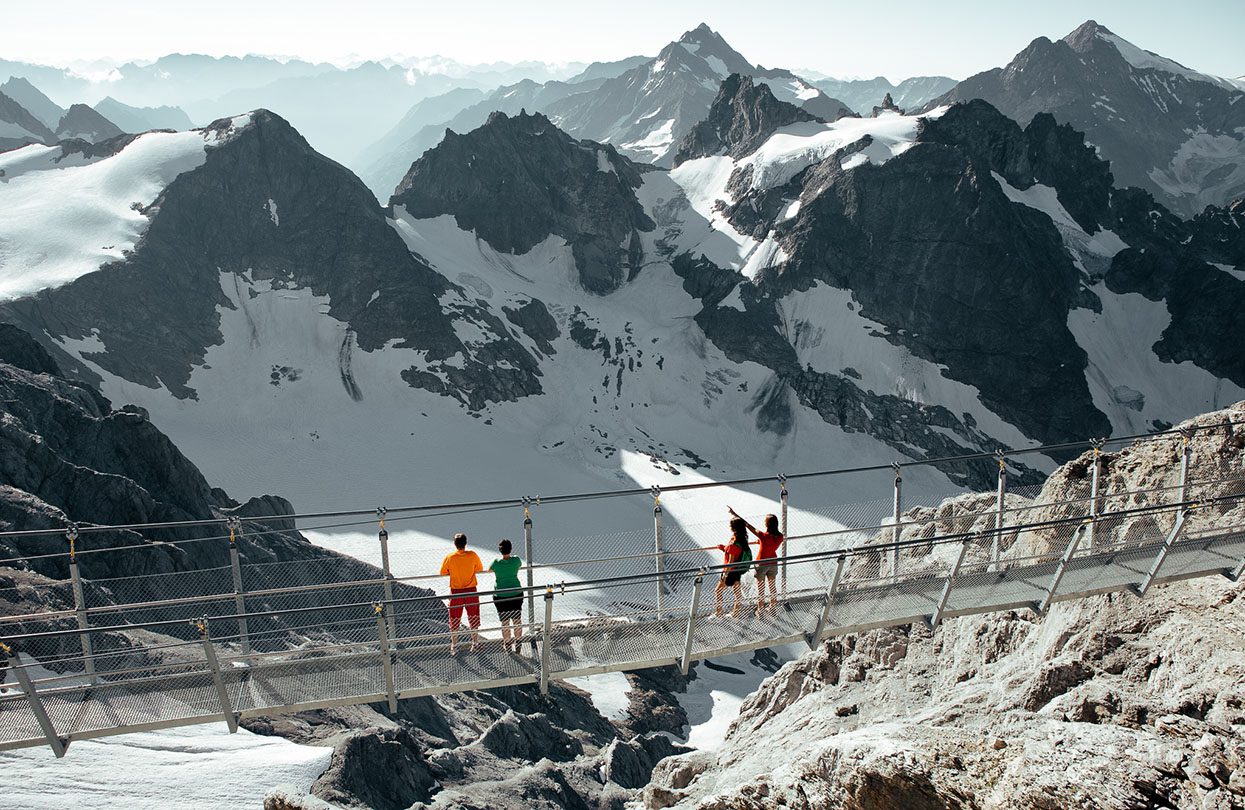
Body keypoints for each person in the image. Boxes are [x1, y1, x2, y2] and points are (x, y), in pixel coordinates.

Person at [729, 507, 784, 616]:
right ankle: (772, 608)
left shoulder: (763, 536)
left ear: (767, 525)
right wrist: (761, 542)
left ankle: (760, 610)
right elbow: (770, 544)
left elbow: (747, 525)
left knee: (761, 588)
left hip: (761, 564)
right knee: (772, 586)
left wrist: (734, 513)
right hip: (773, 562)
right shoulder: (780, 537)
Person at [440, 533, 484, 652]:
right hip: (471, 590)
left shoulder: (450, 557)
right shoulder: (472, 555)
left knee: (454, 617)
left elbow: (443, 572)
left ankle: (454, 645)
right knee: (473, 616)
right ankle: (475, 643)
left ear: (455, 544)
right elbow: (479, 568)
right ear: (466, 543)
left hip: (456, 592)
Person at [488, 539, 524, 653]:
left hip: (500, 595)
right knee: (517, 619)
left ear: (500, 550)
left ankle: (508, 644)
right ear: (511, 549)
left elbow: (489, 570)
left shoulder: (496, 563)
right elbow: (519, 566)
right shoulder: (516, 560)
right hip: (516, 593)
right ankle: (518, 641)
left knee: (505, 622)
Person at [715, 516, 752, 618]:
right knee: (737, 594)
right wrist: (724, 548)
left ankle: (718, 613)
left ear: (734, 528)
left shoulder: (733, 543)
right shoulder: (743, 539)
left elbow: (730, 561)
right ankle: (735, 613)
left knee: (718, 591)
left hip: (730, 571)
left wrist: (725, 575)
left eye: (730, 525)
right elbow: (735, 553)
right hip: (737, 570)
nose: (729, 526)